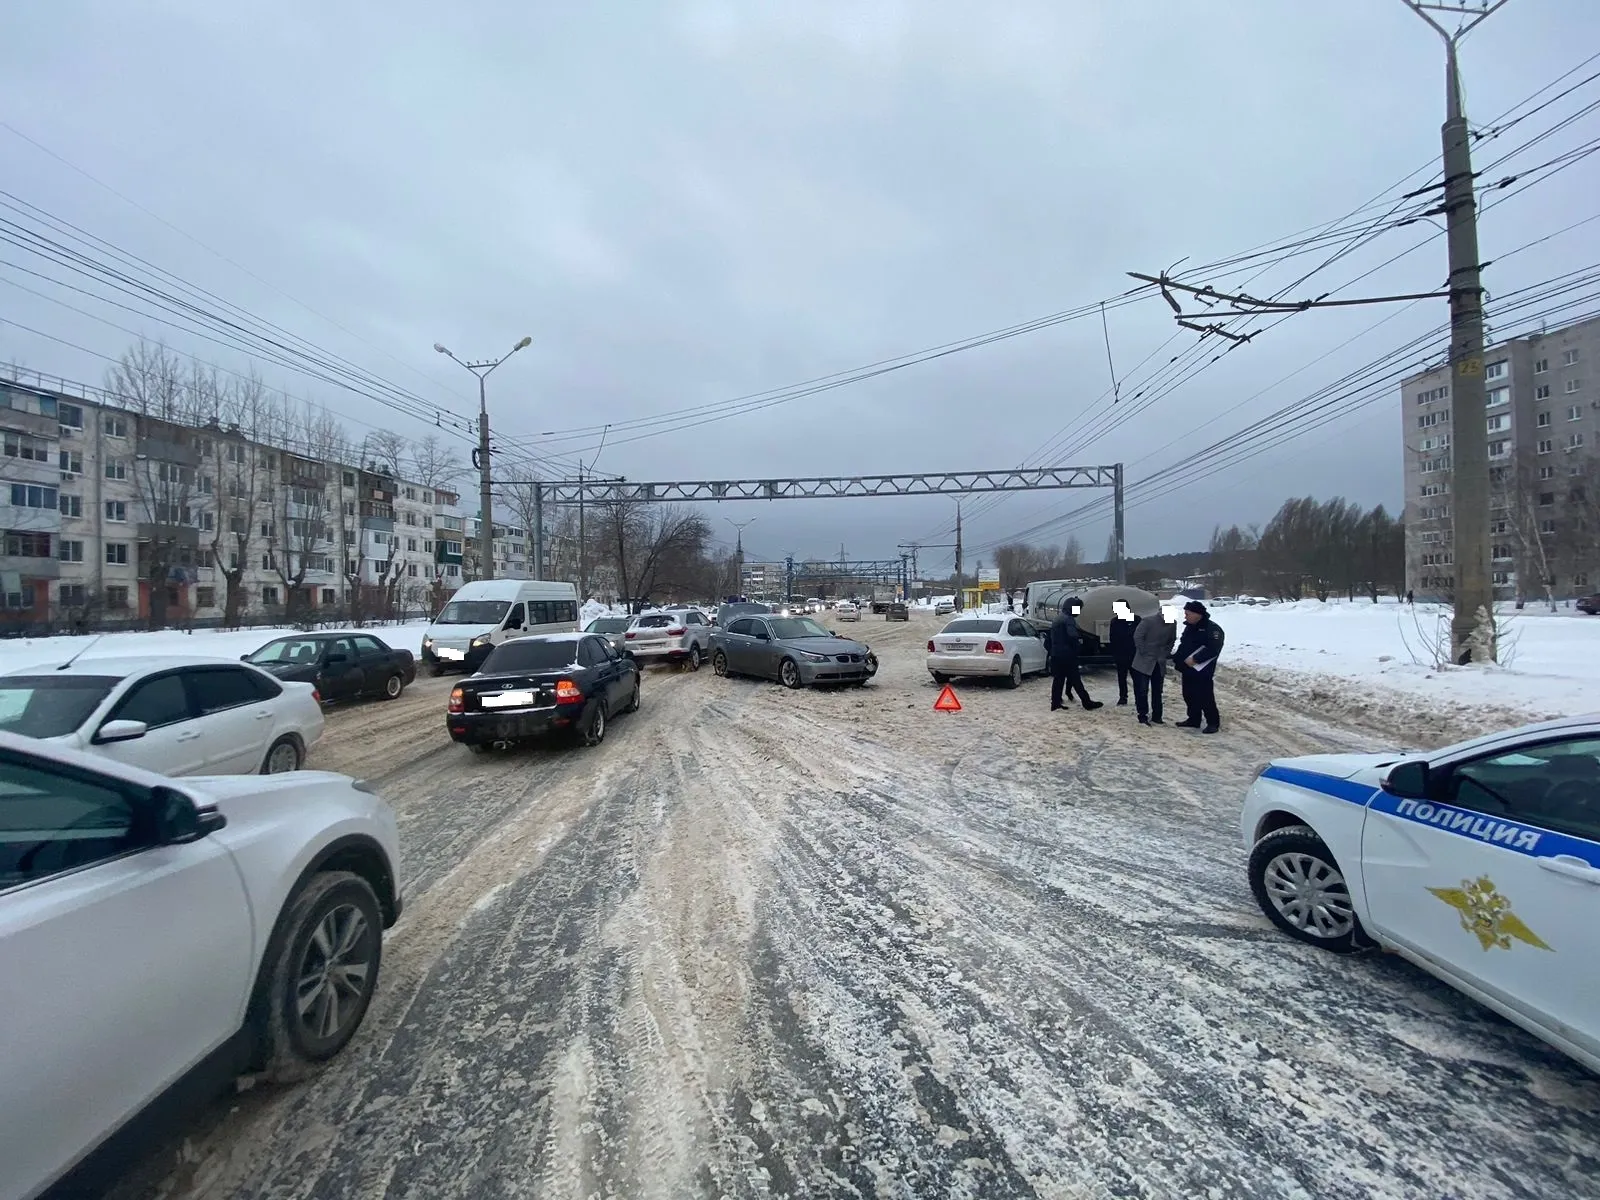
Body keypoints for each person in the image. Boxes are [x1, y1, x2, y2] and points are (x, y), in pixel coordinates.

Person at [1173, 600, 1224, 733]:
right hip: (1188, 669)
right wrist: (1177, 659)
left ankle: (1213, 722)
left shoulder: (1212, 629)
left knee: (1205, 696)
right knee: (1189, 694)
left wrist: (1196, 659)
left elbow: (1213, 648)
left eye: (1188, 614)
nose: (1185, 616)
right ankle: (1193, 719)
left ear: (1197, 614)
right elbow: (1184, 645)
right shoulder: (1189, 627)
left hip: (1203, 670)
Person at [1049, 597, 1103, 712]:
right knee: (1076, 680)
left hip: (1056, 654)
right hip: (1068, 655)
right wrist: (1078, 646)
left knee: (1058, 680)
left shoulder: (1058, 618)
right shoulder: (1068, 620)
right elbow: (1072, 636)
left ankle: (1055, 703)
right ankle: (1087, 702)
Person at [1130, 605, 1177, 726]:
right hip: (1144, 662)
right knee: (1142, 690)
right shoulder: (1147, 621)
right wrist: (1144, 651)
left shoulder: (1172, 623)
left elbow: (1172, 640)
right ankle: (1142, 716)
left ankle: (1157, 716)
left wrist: (1166, 653)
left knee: (1157, 691)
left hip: (1159, 661)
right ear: (1161, 613)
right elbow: (1138, 637)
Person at [1108, 600, 1138, 705]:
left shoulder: (1136, 619)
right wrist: (1114, 653)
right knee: (1122, 677)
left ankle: (1138, 697)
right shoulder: (1115, 621)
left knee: (1137, 678)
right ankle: (1123, 697)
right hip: (1120, 654)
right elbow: (1112, 638)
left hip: (1134, 654)